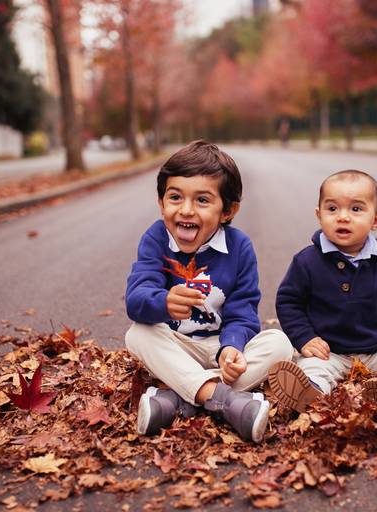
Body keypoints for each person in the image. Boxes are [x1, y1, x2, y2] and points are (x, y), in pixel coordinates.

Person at [125, 140, 294, 442]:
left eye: (202, 200)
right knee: (137, 334)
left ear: (227, 211)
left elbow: (243, 313)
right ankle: (223, 400)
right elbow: (136, 300)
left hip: (220, 349)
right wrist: (163, 302)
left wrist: (231, 347)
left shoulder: (239, 248)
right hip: (176, 346)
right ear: (162, 202)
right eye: (175, 197)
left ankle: (178, 398)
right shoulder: (155, 239)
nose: (186, 210)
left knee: (280, 344)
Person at [269, 170, 377, 413]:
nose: (343, 217)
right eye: (332, 209)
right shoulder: (308, 261)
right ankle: (311, 392)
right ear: (319, 215)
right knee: (311, 367)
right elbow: (288, 301)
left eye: (356, 209)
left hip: (376, 347)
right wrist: (304, 338)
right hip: (329, 351)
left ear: (376, 220)